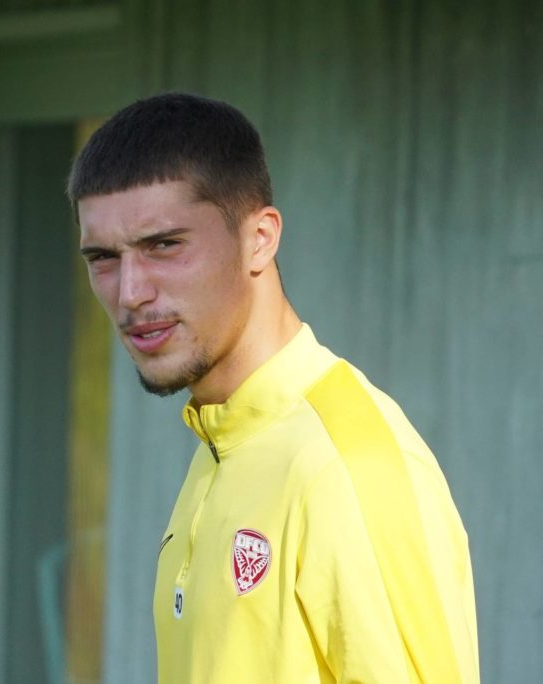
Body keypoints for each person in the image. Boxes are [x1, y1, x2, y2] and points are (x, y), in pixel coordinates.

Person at [68, 92, 479, 683]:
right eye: (103, 257)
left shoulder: (346, 465)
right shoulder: (222, 444)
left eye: (164, 245)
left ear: (259, 238)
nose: (131, 292)